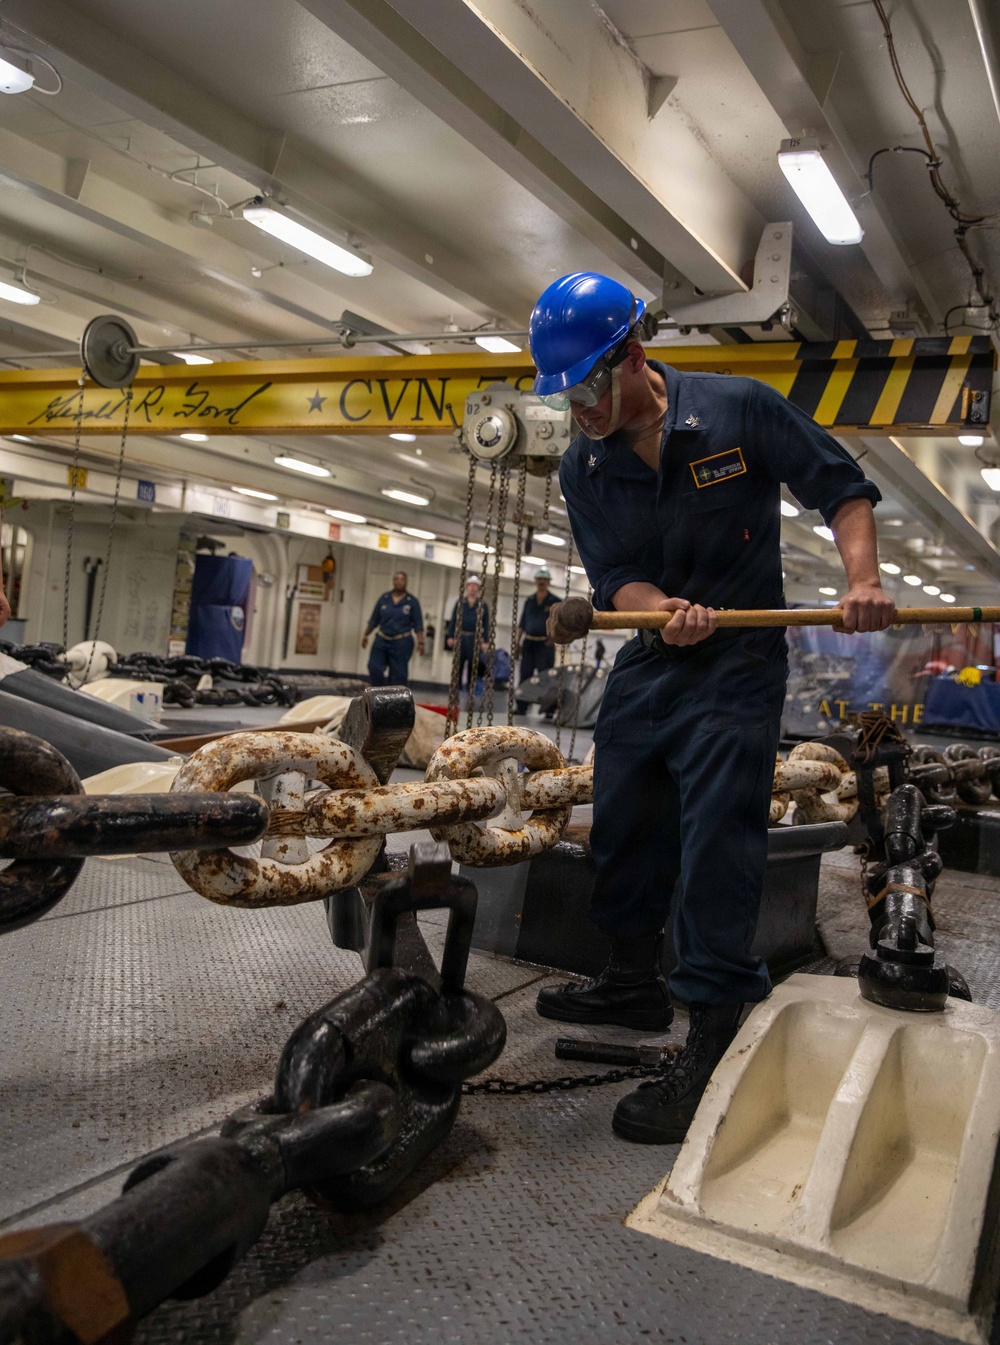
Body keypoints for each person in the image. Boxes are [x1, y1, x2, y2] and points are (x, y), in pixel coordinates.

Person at [529, 271, 895, 1145]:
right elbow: (618, 579)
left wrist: (864, 580)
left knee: (718, 837)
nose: (577, 406)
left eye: (586, 384)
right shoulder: (584, 464)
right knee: (621, 811)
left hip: (737, 668)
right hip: (654, 662)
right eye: (562, 392)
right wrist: (660, 612)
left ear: (633, 357)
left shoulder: (738, 410)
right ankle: (630, 979)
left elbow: (840, 488)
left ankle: (715, 1027)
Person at [362, 570, 424, 686]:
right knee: (374, 668)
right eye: (396, 579)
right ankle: (379, 694)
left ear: (406, 582)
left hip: (402, 641)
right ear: (393, 581)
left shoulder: (412, 602)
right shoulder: (384, 598)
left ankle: (394, 700)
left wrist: (421, 642)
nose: (399, 582)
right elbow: (374, 620)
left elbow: (418, 624)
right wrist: (366, 635)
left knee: (398, 675)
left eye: (402, 579)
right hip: (382, 639)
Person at [515, 567, 559, 713]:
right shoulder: (530, 600)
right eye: (539, 579)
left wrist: (555, 637)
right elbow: (522, 623)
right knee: (525, 675)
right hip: (529, 643)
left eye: (544, 580)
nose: (541, 582)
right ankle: (521, 707)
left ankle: (549, 710)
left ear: (548, 582)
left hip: (545, 645)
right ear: (536, 581)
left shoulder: (555, 602)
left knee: (546, 677)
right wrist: (517, 641)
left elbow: (560, 623)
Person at [446, 575, 490, 703]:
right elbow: (453, 620)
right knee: (458, 666)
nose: (472, 588)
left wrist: (485, 641)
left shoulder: (482, 605)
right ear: (467, 587)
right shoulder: (460, 603)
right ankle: (456, 692)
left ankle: (471, 691)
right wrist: (450, 636)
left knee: (473, 666)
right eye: (470, 585)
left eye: (475, 586)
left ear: (478, 589)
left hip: (474, 639)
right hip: (461, 638)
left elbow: (486, 624)